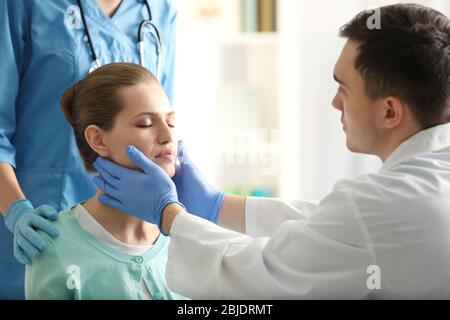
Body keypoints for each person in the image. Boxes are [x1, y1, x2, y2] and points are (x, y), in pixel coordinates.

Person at [95, 3, 450, 299]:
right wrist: (216, 205)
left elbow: (260, 275)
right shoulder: (424, 181)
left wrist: (169, 214)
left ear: (390, 111)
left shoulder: (385, 206)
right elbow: (329, 228)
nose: (334, 102)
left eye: (344, 89)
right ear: (97, 139)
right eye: (144, 123)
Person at [0, 0, 177, 299]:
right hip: (41, 224)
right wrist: (16, 210)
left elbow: (164, 120)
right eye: (144, 123)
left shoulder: (159, 9)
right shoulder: (23, 6)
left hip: (135, 230)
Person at [26, 62, 185, 300]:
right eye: (145, 124)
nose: (168, 136)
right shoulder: (54, 249)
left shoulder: (187, 235)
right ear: (98, 139)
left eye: (171, 122)